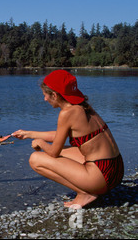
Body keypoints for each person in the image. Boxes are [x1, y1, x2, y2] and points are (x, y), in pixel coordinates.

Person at [12, 70, 124, 208]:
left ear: (55, 95)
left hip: (101, 177)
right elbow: (61, 135)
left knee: (35, 159)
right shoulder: (83, 106)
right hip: (116, 169)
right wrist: (29, 134)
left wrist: (40, 143)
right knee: (64, 151)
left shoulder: (66, 113)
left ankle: (84, 193)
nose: (45, 99)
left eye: (45, 95)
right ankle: (90, 188)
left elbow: (53, 152)